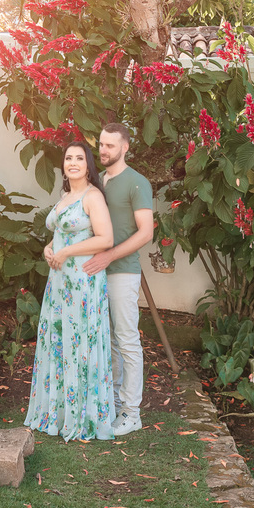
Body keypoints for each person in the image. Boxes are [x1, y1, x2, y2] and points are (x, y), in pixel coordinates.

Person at [25, 142, 116, 441]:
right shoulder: (66, 196)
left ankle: (83, 416)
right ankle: (59, 411)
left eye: (79, 158)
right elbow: (60, 232)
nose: (73, 162)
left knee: (80, 341)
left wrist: (67, 253)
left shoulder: (93, 197)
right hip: (60, 281)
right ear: (63, 165)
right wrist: (50, 248)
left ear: (89, 165)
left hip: (83, 280)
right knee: (60, 339)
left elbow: (105, 239)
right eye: (68, 158)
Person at [83, 123, 154, 436]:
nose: (103, 150)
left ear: (125, 147)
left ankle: (131, 412)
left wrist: (109, 257)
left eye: (110, 146)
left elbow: (146, 233)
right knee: (108, 341)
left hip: (123, 272)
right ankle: (110, 402)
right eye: (101, 144)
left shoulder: (136, 182)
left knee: (127, 340)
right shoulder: (98, 183)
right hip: (97, 273)